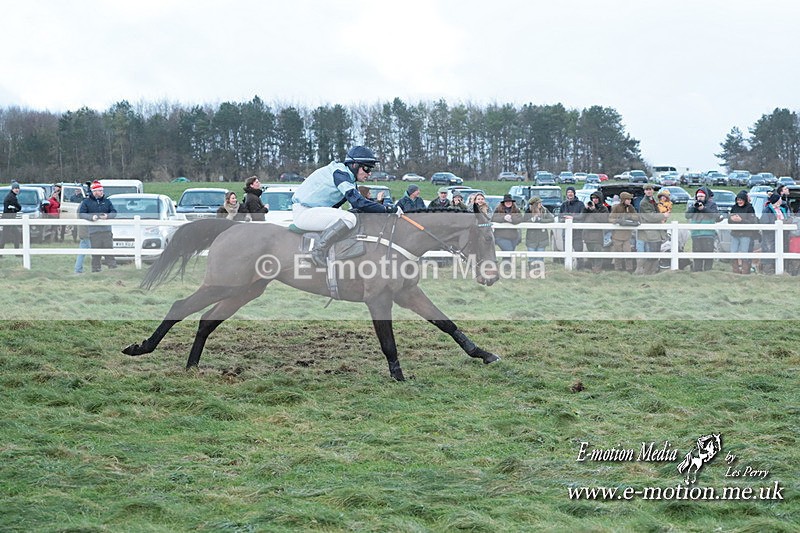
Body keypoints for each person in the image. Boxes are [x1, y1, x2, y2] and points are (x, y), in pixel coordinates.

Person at [292, 145, 394, 267]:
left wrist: (380, 207)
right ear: (354, 165)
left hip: (314, 211)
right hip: (305, 213)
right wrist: (386, 209)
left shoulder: (348, 179)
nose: (369, 173)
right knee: (349, 218)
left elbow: (359, 208)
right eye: (366, 168)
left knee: (352, 217)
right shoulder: (340, 174)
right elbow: (358, 202)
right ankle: (318, 252)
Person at [78, 180, 117, 273]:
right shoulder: (86, 202)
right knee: (95, 253)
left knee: (109, 252)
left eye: (98, 190)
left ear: (102, 191)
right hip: (94, 232)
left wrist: (107, 216)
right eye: (94, 191)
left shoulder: (107, 202)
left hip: (106, 231)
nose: (96, 193)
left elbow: (114, 212)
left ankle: (113, 270)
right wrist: (91, 217)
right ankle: (96, 271)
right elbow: (81, 214)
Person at [685, 186, 720, 272]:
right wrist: (694, 208)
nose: (699, 198)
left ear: (706, 196)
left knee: (708, 254)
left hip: (708, 233)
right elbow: (687, 215)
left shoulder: (712, 205)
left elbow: (715, 215)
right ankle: (697, 271)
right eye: (698, 196)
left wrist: (703, 209)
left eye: (701, 196)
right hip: (696, 234)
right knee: (697, 254)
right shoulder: (694, 205)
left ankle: (708, 271)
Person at [636, 184, 668, 275]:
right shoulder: (644, 202)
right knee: (652, 252)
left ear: (652, 190)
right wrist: (663, 216)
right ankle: (648, 272)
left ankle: (653, 271)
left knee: (656, 251)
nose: (648, 191)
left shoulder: (652, 200)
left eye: (650, 189)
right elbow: (650, 217)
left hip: (655, 230)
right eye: (646, 190)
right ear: (644, 191)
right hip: (650, 231)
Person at [728, 190, 757, 274]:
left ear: (745, 200)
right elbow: (729, 219)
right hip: (735, 233)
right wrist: (732, 219)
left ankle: (745, 271)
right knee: (733, 252)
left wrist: (741, 220)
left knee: (744, 252)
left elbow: (752, 221)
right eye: (738, 200)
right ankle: (735, 270)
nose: (739, 202)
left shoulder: (750, 208)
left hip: (746, 234)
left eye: (741, 200)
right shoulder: (734, 207)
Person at [608, 191, 638, 272]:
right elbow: (610, 218)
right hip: (617, 235)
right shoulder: (616, 207)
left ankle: (629, 269)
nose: (629, 201)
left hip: (627, 235)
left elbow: (636, 216)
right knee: (618, 253)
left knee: (628, 253)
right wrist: (618, 220)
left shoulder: (631, 207)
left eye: (630, 199)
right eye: (628, 199)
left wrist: (629, 217)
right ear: (623, 200)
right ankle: (618, 269)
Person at [582, 190, 610, 273]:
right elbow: (582, 217)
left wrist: (594, 210)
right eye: (593, 198)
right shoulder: (588, 209)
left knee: (598, 253)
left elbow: (603, 220)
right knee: (590, 253)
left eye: (596, 198)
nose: (594, 200)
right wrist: (585, 209)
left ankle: (597, 269)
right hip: (587, 235)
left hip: (597, 236)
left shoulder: (603, 209)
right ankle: (593, 268)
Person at [759, 192, 785, 274]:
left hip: (781, 235)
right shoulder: (767, 210)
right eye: (779, 199)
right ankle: (767, 271)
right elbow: (765, 223)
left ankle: (779, 270)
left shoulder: (782, 209)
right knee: (769, 251)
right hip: (769, 236)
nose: (781, 201)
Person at [524, 196, 554, 265]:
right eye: (539, 202)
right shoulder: (528, 211)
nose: (541, 203)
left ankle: (539, 270)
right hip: (531, 237)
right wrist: (532, 220)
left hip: (542, 237)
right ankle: (531, 270)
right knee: (531, 257)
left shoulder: (545, 210)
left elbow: (551, 219)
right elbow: (524, 221)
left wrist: (541, 220)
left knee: (540, 257)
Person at [559, 186, 584, 263]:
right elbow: (560, 217)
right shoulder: (564, 205)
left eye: (571, 192)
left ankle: (580, 268)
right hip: (566, 233)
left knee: (578, 251)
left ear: (574, 193)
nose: (570, 194)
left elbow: (582, 216)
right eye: (568, 192)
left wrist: (572, 217)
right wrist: (565, 219)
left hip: (577, 233)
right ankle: (567, 268)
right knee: (566, 250)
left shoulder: (580, 204)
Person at [492, 194, 522, 258]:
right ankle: (507, 266)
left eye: (510, 201)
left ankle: (507, 266)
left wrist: (511, 219)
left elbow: (520, 219)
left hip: (513, 236)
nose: (508, 203)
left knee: (509, 254)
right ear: (504, 202)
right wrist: (504, 218)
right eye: (506, 201)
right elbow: (493, 218)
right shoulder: (498, 210)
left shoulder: (516, 210)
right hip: (500, 236)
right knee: (509, 250)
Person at [1, 181, 23, 250]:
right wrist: (14, 209)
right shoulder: (12, 197)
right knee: (6, 236)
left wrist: (14, 209)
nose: (17, 189)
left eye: (18, 188)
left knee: (15, 234)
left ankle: (16, 252)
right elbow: (19, 207)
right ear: (12, 189)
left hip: (9, 219)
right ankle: (2, 252)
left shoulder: (12, 196)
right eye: (15, 188)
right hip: (8, 219)